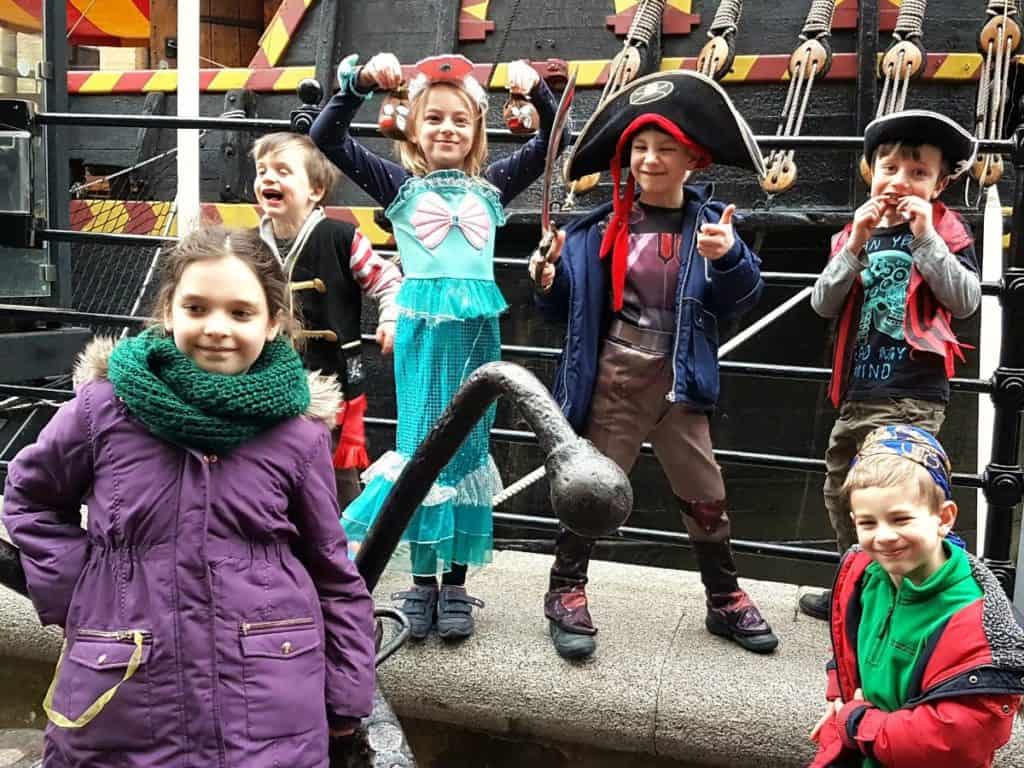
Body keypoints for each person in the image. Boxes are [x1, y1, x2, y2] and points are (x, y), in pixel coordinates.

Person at [2, 227, 376, 766]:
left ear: (272, 323)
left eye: (240, 313)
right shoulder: (104, 411)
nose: (217, 329)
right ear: (169, 311)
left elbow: (331, 570)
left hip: (267, 708)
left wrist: (345, 700)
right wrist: (81, 593)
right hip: (124, 698)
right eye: (197, 308)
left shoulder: (297, 435)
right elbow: (30, 497)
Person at [310, 52, 564, 641]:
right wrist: (357, 84)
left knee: (469, 451)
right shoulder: (399, 186)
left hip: (478, 333)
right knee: (422, 448)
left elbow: (555, 142)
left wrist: (539, 96)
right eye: (434, 119)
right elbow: (328, 134)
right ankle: (421, 583)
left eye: (460, 120)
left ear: (477, 130)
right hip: (424, 337)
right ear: (413, 129)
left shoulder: (492, 184)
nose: (447, 129)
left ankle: (456, 583)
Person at [529, 70, 778, 660]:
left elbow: (741, 298)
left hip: (681, 376)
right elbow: (559, 306)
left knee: (705, 491)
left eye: (665, 148)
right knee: (589, 486)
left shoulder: (710, 226)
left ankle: (724, 598)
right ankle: (565, 589)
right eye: (640, 148)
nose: (650, 159)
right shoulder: (593, 231)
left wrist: (730, 257)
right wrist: (544, 277)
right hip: (615, 375)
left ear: (692, 158)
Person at [799, 111, 982, 621]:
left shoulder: (948, 230)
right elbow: (822, 303)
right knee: (842, 492)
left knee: (896, 493)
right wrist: (855, 241)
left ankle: (905, 598)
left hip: (913, 396)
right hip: (858, 390)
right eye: (889, 168)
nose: (899, 181)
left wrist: (928, 240)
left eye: (918, 173)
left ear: (940, 183)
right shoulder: (854, 233)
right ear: (870, 171)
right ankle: (858, 590)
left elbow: (965, 301)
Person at [809, 424, 1024, 767]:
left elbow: (954, 742)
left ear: (944, 518)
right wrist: (839, 699)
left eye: (901, 519)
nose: (884, 537)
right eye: (868, 523)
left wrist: (855, 723)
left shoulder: (978, 623)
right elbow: (848, 648)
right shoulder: (864, 573)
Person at [253, 131, 402, 510]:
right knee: (268, 467)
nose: (268, 178)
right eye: (262, 170)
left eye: (282, 171)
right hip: (266, 376)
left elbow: (386, 280)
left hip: (332, 379)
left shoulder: (343, 238)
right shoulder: (248, 246)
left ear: (315, 190)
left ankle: (344, 551)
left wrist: (391, 319)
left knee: (337, 476)